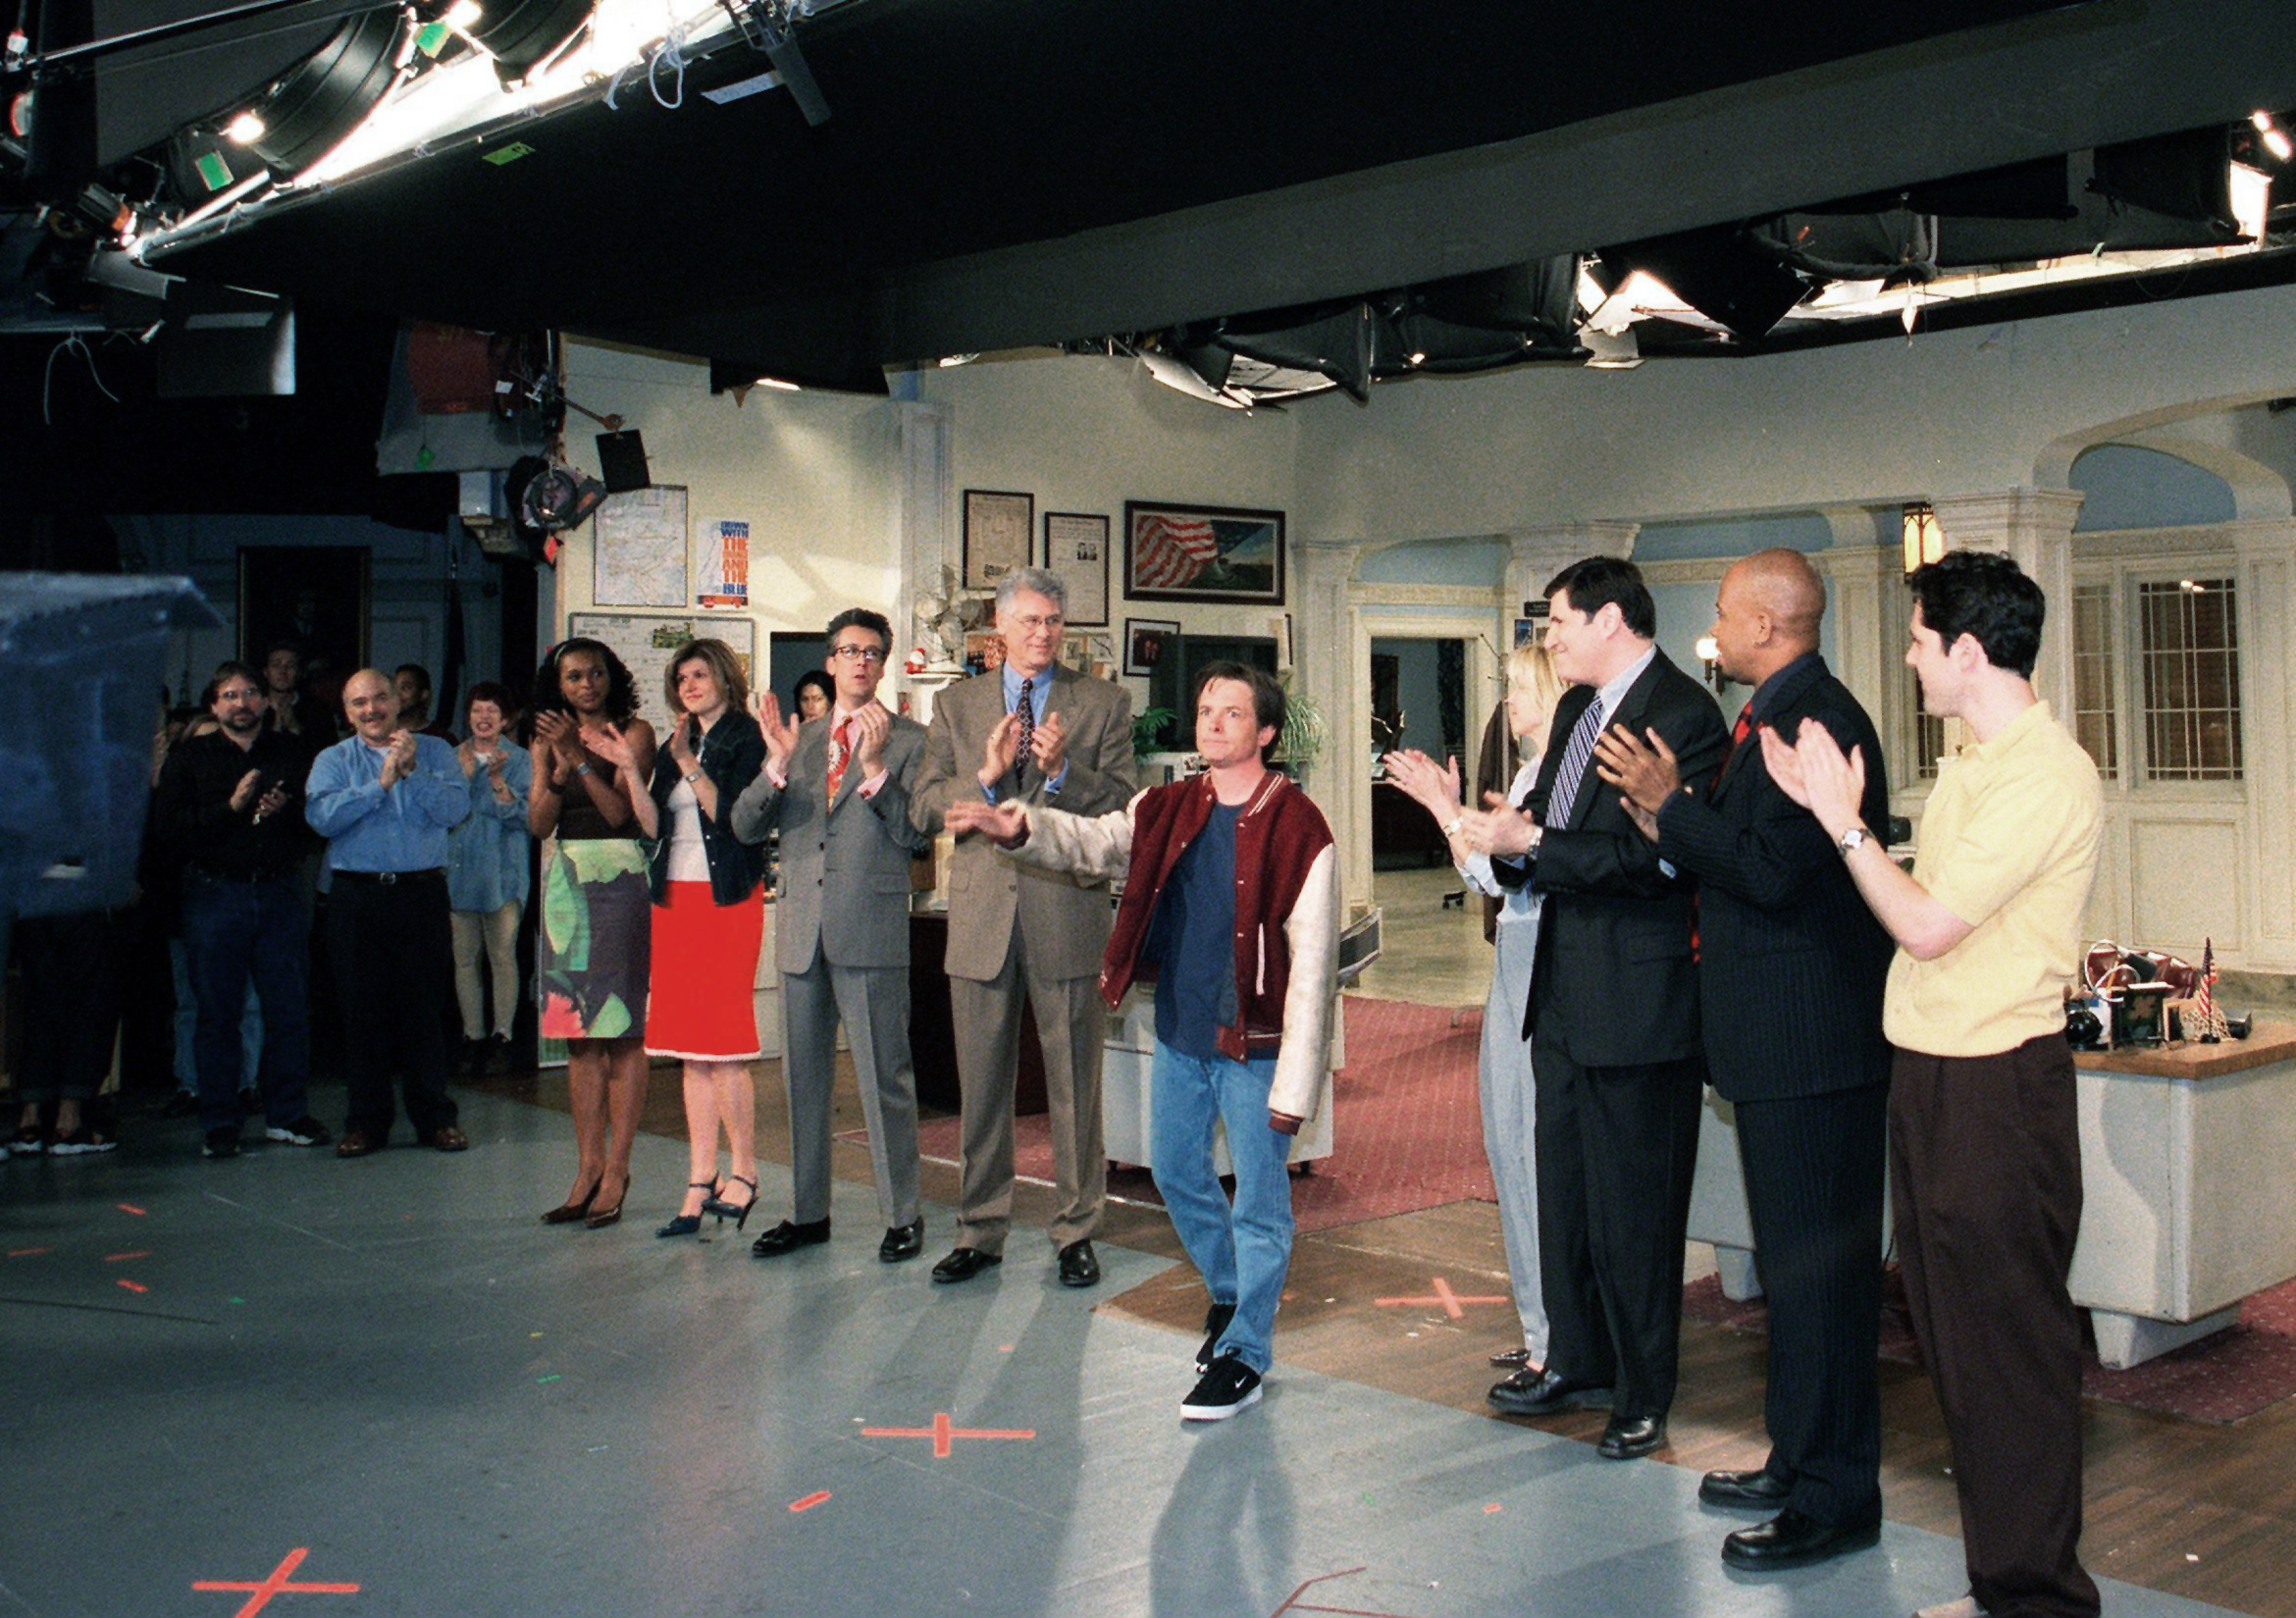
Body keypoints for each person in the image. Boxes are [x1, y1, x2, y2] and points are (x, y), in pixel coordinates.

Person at [1760, 549, 2103, 1618]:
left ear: (1965, 649)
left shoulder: (2046, 772)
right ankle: (2006, 1583)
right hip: (1938, 1077)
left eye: (1917, 639)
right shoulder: (1973, 759)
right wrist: (1850, 821)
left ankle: (2040, 1598)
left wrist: (1842, 819)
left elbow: (1923, 923)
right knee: (1962, 1348)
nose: (1906, 656)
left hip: (1999, 1091)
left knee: (2011, 1355)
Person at [1593, 549, 1894, 1572]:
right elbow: (1741, 849)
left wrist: (1673, 805)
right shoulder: (1772, 711)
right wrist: (1667, 814)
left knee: (1822, 1283)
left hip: (1814, 1048)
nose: (1710, 630)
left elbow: (1769, 871)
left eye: (1722, 613)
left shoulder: (1818, 722)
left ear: (1768, 624)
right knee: (1795, 1275)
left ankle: (1835, 1494)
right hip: (1778, 1048)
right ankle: (1798, 1457)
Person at [945, 663, 1338, 1419]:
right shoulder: (1170, 806)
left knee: (1259, 1200)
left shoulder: (1299, 824)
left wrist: (1296, 1084)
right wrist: (1024, 825)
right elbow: (1095, 842)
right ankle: (1230, 1296)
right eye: (1204, 709)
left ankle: (1247, 1351)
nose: (1212, 722)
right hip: (1183, 1035)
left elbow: (1314, 961)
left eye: (1231, 713)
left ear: (1264, 732)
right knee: (1179, 1175)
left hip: (1253, 1043)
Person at [1455, 554, 1726, 1461]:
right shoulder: (1576, 709)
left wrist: (1535, 842)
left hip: (1640, 1002)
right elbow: (1568, 839)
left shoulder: (1685, 715)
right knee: (1564, 1192)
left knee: (1635, 1213)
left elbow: (1660, 864)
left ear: (1611, 619)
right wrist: (1514, 843)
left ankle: (1644, 1393)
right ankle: (1576, 1358)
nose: (1550, 639)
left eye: (1560, 622)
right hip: (1563, 994)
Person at [911, 567, 1136, 1287]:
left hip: (1066, 911)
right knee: (982, 1087)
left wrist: (1065, 771)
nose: (1043, 633)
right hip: (981, 917)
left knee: (1075, 1085)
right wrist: (983, 777)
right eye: (1030, 621)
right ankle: (980, 1229)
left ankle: (1076, 1229)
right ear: (998, 629)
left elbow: (1128, 807)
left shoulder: (1103, 702)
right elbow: (922, 807)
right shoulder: (957, 703)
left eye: (1054, 621)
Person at [1383, 639, 1564, 1377]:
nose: (1509, 702)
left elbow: (1498, 871)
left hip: (1541, 971)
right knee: (1507, 1145)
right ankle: (1541, 1327)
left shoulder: (1558, 775)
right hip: (1514, 967)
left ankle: (1555, 1337)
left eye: (1519, 687)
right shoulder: (1527, 771)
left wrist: (1444, 808)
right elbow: (1488, 872)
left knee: (1529, 1150)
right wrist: (1449, 810)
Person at [732, 608, 931, 1262]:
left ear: (887, 662)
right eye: (849, 650)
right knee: (803, 1080)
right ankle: (806, 1212)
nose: (860, 661)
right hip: (799, 933)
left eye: (873, 652)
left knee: (884, 1078)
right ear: (831, 659)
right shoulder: (801, 737)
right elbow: (742, 824)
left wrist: (875, 770)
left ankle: (903, 1214)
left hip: (869, 929)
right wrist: (777, 768)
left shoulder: (912, 741)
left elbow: (918, 836)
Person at [590, 640, 767, 1240]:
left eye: (700, 673)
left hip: (726, 901)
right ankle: (699, 1178)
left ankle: (744, 1170)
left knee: (726, 1045)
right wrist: (632, 771)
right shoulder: (675, 740)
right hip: (674, 900)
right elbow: (652, 825)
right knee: (692, 1051)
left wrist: (691, 763)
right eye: (681, 677)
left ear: (724, 676)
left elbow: (737, 821)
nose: (689, 684)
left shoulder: (745, 737)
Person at [152, 661, 329, 1159]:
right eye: (230, 695)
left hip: (277, 893)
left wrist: (286, 811)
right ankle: (220, 1121)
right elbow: (170, 830)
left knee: (288, 1009)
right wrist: (230, 807)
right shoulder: (190, 758)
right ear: (214, 705)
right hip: (215, 895)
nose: (242, 703)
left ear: (265, 702)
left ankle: (287, 1114)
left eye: (250, 693)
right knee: (217, 1013)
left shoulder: (291, 754)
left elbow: (315, 825)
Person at [305, 669, 473, 1157]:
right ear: (347, 710)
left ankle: (436, 1119)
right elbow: (321, 818)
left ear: (397, 702)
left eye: (379, 698)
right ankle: (366, 1123)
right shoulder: (333, 760)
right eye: (359, 703)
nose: (371, 709)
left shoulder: (437, 752)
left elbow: (454, 811)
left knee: (424, 1011)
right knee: (361, 1013)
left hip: (420, 896)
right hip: (356, 898)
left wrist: (412, 772)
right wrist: (379, 785)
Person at [528, 641, 655, 1229]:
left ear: (612, 677)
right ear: (559, 685)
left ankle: (619, 1168)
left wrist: (579, 760)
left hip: (620, 875)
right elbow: (538, 824)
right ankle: (586, 1166)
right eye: (574, 676)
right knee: (579, 1034)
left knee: (622, 1031)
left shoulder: (634, 733)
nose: (586, 684)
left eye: (595, 673)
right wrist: (555, 770)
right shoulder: (545, 739)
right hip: (568, 881)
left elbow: (620, 816)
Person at [446, 681, 533, 1076]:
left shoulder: (520, 758)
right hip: (459, 870)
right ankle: (471, 1036)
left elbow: (526, 818)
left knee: (502, 956)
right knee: (464, 959)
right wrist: (464, 776)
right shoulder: (451, 756)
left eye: (492, 712)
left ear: (506, 719)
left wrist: (497, 781)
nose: (483, 719)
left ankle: (503, 1035)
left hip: (503, 872)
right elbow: (442, 812)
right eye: (477, 711)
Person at [393, 663, 457, 743]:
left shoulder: (442, 738)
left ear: (423, 695)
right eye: (394, 687)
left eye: (406, 687)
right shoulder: (382, 733)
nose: (397, 693)